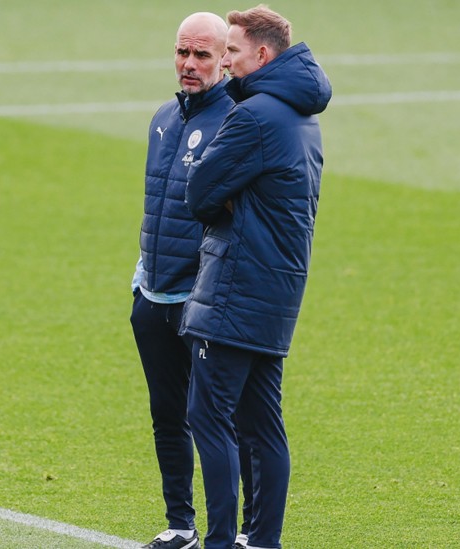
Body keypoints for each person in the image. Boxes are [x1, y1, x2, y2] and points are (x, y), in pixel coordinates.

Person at [180, 6, 332, 549]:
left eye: (232, 51)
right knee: (263, 422)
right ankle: (263, 540)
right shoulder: (302, 116)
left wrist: (226, 199)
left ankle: (221, 541)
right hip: (276, 291)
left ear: (262, 54)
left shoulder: (254, 116)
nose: (224, 61)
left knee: (207, 415)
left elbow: (199, 193)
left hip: (235, 290)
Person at [130, 11, 253, 549]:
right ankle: (180, 524)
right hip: (153, 294)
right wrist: (141, 277)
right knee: (167, 415)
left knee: (223, 422)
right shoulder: (163, 117)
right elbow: (157, 203)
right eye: (183, 52)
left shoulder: (236, 121)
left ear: (224, 60)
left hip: (201, 301)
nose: (189, 63)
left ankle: (246, 532)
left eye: (202, 54)